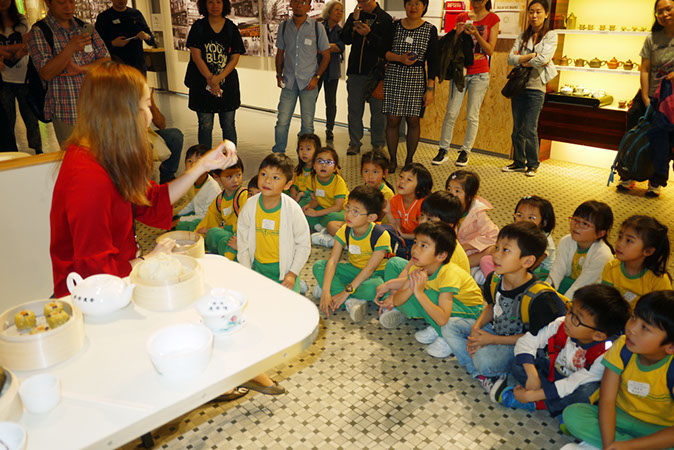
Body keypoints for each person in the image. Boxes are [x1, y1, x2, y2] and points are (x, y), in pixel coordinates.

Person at [49, 61, 237, 298]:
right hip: (92, 297)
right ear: (124, 114)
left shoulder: (105, 154)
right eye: (146, 106)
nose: (150, 115)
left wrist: (203, 165)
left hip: (115, 283)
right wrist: (149, 259)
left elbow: (153, 198)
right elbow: (96, 272)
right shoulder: (89, 178)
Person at [442, 222, 567, 392]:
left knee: (484, 360)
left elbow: (537, 339)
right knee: (449, 325)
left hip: (522, 347)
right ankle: (481, 374)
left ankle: (484, 369)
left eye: (506, 250)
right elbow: (491, 306)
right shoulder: (495, 278)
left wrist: (491, 340)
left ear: (528, 261)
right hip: (497, 331)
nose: (496, 255)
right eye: (497, 247)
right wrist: (476, 328)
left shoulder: (540, 298)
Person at [492, 285, 630, 417]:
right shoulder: (561, 324)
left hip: (576, 385)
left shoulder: (605, 354)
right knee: (518, 363)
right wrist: (532, 373)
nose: (568, 319)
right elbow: (526, 342)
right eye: (570, 310)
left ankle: (538, 404)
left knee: (587, 393)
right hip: (555, 373)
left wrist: (532, 396)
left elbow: (572, 383)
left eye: (576, 319)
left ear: (598, 336)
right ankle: (555, 405)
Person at [562, 291, 674, 449]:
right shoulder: (622, 346)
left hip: (658, 429)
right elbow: (607, 401)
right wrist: (610, 445)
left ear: (671, 346)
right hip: (619, 416)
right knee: (573, 415)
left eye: (645, 328)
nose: (631, 329)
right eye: (634, 317)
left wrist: (629, 446)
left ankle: (629, 444)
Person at [374, 222, 484, 358]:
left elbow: (442, 318)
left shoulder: (449, 273)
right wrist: (411, 288)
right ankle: (436, 328)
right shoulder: (418, 267)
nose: (415, 250)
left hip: (470, 313)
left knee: (426, 295)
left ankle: (446, 337)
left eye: (424, 246)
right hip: (447, 308)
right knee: (419, 293)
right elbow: (397, 300)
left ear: (441, 255)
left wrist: (419, 293)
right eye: (415, 242)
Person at [377, 192, 471, 332]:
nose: (422, 222)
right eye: (421, 216)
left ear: (448, 225)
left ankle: (437, 328)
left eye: (429, 219)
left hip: (448, 298)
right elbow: (408, 268)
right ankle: (396, 306)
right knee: (394, 263)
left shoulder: (446, 251)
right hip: (426, 282)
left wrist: (391, 286)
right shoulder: (425, 241)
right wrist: (392, 294)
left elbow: (424, 283)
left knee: (419, 291)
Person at [26, 0, 110, 144]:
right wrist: (70, 48)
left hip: (96, 107)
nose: (68, 7)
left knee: (102, 152)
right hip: (66, 111)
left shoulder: (84, 28)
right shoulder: (39, 31)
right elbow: (46, 73)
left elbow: (106, 59)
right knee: (74, 155)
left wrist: (82, 69)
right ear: (48, 3)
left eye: (72, 1)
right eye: (62, 2)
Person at [432, 0, 499, 168]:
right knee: (451, 112)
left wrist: (476, 34)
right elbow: (453, 47)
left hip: (480, 73)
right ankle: (443, 149)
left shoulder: (493, 19)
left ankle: (465, 151)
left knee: (472, 115)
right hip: (460, 71)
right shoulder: (461, 16)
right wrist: (457, 34)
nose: (476, 2)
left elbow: (490, 50)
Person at [618, 0, 674, 196]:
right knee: (633, 131)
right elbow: (645, 69)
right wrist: (644, 96)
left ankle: (656, 182)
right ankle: (627, 174)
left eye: (669, 9)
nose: (664, 14)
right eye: (660, 11)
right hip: (648, 95)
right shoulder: (652, 38)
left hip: (670, 100)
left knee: (664, 140)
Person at [313, 185, 390, 322]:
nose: (348, 214)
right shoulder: (345, 229)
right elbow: (333, 261)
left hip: (374, 275)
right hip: (353, 269)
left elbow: (369, 269)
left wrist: (345, 292)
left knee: (373, 288)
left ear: (371, 217)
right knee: (319, 266)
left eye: (356, 212)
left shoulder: (380, 235)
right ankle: (350, 301)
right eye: (348, 208)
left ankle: (340, 292)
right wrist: (325, 291)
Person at [237, 152, 312, 293]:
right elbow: (242, 242)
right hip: (257, 268)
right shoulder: (250, 206)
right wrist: (248, 271)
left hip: (285, 270)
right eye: (263, 174)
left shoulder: (292, 209)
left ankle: (297, 280)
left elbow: (303, 244)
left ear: (287, 185)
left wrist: (292, 273)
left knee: (289, 305)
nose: (267, 181)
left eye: (275, 177)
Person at [502, 0, 557, 177]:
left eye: (538, 12)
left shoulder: (550, 35)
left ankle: (533, 163)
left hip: (536, 87)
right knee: (517, 128)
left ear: (546, 14)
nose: (534, 15)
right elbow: (511, 59)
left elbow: (544, 59)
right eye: (531, 12)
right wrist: (532, 55)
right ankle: (518, 162)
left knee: (530, 128)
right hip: (519, 86)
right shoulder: (522, 36)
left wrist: (523, 61)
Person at [382, 0, 439, 171]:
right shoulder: (394, 26)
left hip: (416, 78)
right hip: (394, 76)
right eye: (409, 3)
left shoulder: (430, 29)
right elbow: (383, 52)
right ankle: (392, 160)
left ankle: (409, 160)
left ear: (424, 7)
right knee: (393, 119)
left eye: (417, 3)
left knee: (413, 120)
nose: (413, 7)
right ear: (405, 5)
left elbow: (433, 61)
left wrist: (430, 89)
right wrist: (400, 58)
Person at [272, 0, 330, 154]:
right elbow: (280, 53)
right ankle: (278, 155)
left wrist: (317, 77)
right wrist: (278, 74)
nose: (299, 5)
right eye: (296, 1)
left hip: (309, 83)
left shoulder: (317, 28)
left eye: (303, 2)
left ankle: (306, 158)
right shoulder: (284, 27)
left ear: (309, 7)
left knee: (307, 125)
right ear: (291, 4)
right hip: (289, 82)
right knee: (282, 121)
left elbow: (326, 55)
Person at [185, 0, 245, 148]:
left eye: (218, 2)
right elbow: (196, 56)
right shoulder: (198, 27)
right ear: (204, 4)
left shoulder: (231, 28)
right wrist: (211, 79)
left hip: (227, 86)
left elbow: (235, 57)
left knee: (229, 125)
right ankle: (205, 158)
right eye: (210, 2)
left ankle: (230, 159)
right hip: (202, 85)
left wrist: (218, 78)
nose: (215, 6)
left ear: (224, 4)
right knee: (205, 126)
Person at [340, 0, 392, 155]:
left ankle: (378, 145)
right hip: (355, 72)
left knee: (378, 113)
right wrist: (354, 21)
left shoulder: (385, 18)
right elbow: (345, 39)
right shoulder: (355, 16)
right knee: (354, 110)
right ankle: (354, 143)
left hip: (376, 73)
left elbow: (386, 47)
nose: (361, 2)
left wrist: (369, 34)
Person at [315, 149, 394, 247]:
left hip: (376, 229)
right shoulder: (364, 188)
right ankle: (347, 242)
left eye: (375, 172)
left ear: (385, 173)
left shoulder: (386, 194)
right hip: (360, 224)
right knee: (331, 225)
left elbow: (373, 221)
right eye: (366, 171)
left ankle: (340, 242)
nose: (370, 176)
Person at [546, 200, 614, 299]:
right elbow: (557, 271)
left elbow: (582, 285)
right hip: (569, 282)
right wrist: (545, 293)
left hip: (590, 293)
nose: (576, 225)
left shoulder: (602, 255)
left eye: (585, 224)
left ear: (600, 233)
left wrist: (563, 304)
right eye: (575, 220)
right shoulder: (566, 241)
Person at [0, 0, 42, 153]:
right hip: (3, 80)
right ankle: (10, 154)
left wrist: (4, 49)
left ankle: (37, 154)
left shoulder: (22, 21)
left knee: (31, 120)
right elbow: (22, 46)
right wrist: (17, 49)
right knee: (7, 121)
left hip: (24, 77)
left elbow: (28, 45)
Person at [479, 195, 556, 279]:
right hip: (517, 263)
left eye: (531, 217)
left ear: (544, 222)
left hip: (538, 273)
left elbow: (529, 267)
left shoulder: (544, 241)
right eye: (520, 215)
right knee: (487, 259)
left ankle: (496, 280)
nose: (524, 220)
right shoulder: (519, 232)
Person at [601, 215, 672, 305]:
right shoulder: (611, 267)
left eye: (629, 240)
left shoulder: (659, 280)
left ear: (648, 251)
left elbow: (663, 310)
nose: (619, 244)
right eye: (620, 236)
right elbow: (605, 302)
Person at [196, 157, 247, 260]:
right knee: (196, 225)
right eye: (229, 176)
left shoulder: (243, 195)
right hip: (228, 234)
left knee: (214, 233)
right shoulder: (219, 200)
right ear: (217, 178)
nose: (235, 180)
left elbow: (245, 225)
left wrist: (220, 229)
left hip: (240, 236)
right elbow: (209, 220)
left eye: (238, 175)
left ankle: (230, 257)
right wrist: (197, 238)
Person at [445, 170, 498, 269]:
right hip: (449, 249)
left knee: (491, 250)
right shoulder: (444, 208)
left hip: (470, 252)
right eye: (449, 189)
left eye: (457, 191)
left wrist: (468, 246)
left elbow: (493, 234)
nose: (451, 194)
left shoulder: (477, 213)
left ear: (469, 197)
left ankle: (461, 267)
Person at [94, 0, 156, 76]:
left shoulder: (136, 14)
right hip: (116, 67)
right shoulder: (104, 17)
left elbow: (151, 40)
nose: (121, 1)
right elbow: (97, 46)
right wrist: (113, 43)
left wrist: (146, 36)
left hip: (137, 66)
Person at [175, 144, 223, 231]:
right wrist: (174, 213)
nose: (193, 165)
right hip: (198, 214)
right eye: (190, 161)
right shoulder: (191, 182)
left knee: (181, 225)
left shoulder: (213, 188)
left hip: (209, 220)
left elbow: (205, 216)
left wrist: (180, 220)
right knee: (172, 217)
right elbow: (190, 205)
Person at [385, 162, 433, 248]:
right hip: (404, 238)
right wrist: (388, 212)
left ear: (420, 188)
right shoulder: (395, 200)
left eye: (409, 180)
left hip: (423, 240)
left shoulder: (424, 204)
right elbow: (396, 228)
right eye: (401, 176)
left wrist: (403, 235)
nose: (402, 181)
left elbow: (425, 233)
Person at [302, 146, 348, 232]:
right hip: (322, 206)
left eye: (329, 162)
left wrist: (316, 213)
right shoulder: (311, 178)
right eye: (319, 161)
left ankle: (319, 226)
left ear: (335, 168)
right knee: (303, 204)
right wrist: (308, 206)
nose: (323, 165)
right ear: (314, 165)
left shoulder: (338, 182)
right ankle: (320, 228)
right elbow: (314, 200)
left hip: (340, 211)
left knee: (332, 217)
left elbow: (338, 207)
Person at [318, 0, 344, 142]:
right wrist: (330, 47)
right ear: (328, 12)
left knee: (331, 102)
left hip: (332, 71)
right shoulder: (318, 27)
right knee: (310, 99)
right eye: (336, 10)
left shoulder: (341, 31)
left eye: (341, 10)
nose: (339, 13)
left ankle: (329, 129)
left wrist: (323, 47)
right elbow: (314, 46)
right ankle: (307, 127)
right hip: (316, 70)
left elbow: (340, 47)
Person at [289, 133, 321, 207]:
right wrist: (293, 189)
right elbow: (296, 183)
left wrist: (303, 194)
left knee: (305, 203)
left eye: (308, 149)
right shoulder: (299, 169)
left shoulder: (319, 170)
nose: (304, 153)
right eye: (301, 149)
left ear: (317, 150)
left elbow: (320, 191)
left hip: (312, 197)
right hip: (299, 195)